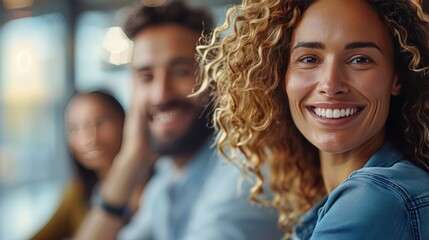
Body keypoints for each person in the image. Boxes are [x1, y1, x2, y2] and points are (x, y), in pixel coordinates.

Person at [196, 0, 429, 239]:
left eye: (360, 59)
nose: (330, 85)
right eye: (309, 59)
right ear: (279, 75)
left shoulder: (376, 199)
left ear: (397, 78)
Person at [74, 1, 283, 240]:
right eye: (146, 76)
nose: (160, 94)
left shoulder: (245, 172)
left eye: (181, 71)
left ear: (216, 77)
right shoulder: (168, 175)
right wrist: (130, 159)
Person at [31, 90, 142, 239]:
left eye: (101, 122)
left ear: (125, 122)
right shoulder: (77, 193)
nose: (90, 138)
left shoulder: (156, 187)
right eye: (74, 129)